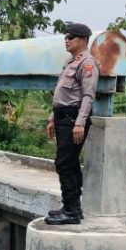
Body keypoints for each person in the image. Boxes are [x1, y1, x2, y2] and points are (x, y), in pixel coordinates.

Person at [45, 23, 98, 225]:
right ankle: (71, 207)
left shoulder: (87, 64)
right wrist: (52, 117)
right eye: (66, 37)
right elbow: (62, 94)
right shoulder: (70, 63)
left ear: (83, 40)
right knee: (71, 163)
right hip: (62, 117)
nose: (66, 41)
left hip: (72, 119)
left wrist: (80, 123)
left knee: (64, 163)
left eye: (71, 37)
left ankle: (72, 211)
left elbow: (87, 96)